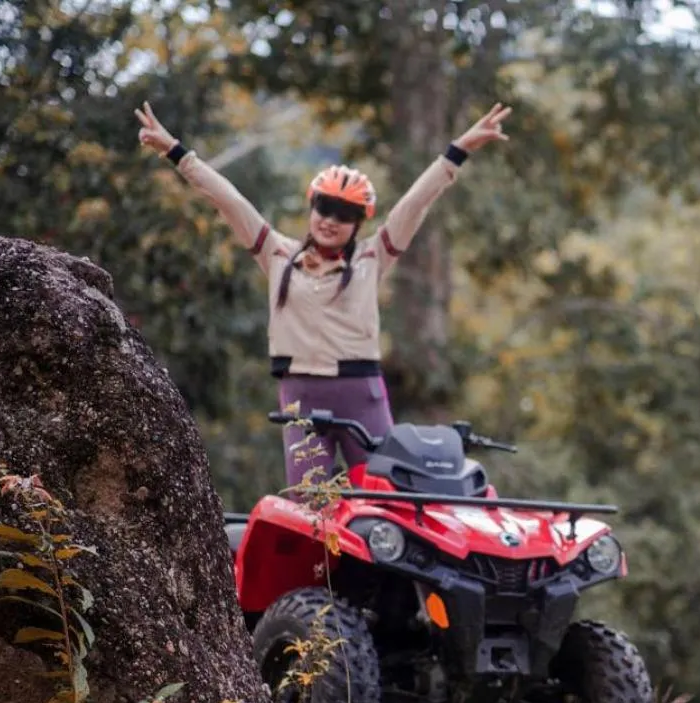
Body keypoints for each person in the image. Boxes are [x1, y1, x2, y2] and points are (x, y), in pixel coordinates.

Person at [135, 100, 514, 487]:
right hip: (300, 394)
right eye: (324, 208)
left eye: (344, 215)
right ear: (311, 207)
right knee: (309, 500)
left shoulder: (371, 258)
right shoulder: (277, 254)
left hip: (360, 393)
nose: (330, 221)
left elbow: (415, 203)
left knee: (384, 491)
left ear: (358, 223)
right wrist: (176, 152)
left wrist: (459, 150)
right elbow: (229, 201)